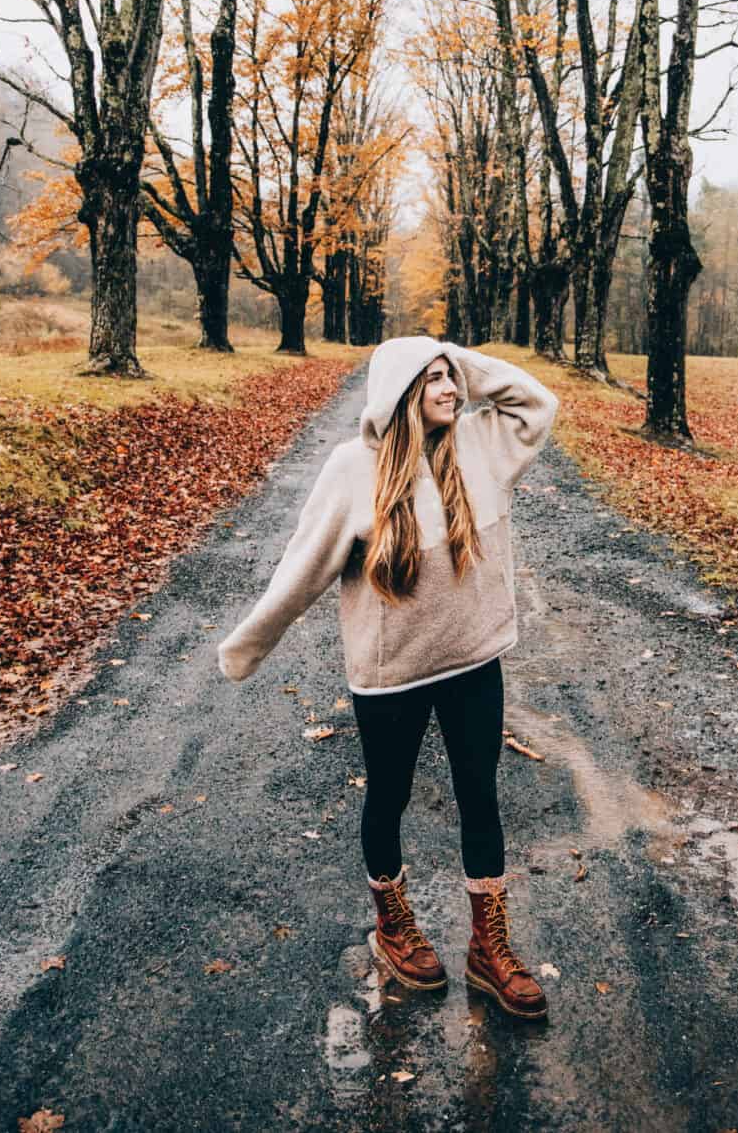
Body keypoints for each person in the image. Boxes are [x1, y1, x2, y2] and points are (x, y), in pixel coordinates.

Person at [217, 337, 560, 1021]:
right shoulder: (353, 469)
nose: (450, 389)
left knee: (480, 796)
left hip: (474, 661)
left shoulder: (480, 444)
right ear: (400, 392)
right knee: (390, 796)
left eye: (451, 378)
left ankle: (487, 952)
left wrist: (452, 356)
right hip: (391, 675)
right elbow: (301, 569)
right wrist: (247, 645)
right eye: (432, 380)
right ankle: (393, 924)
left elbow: (537, 400)